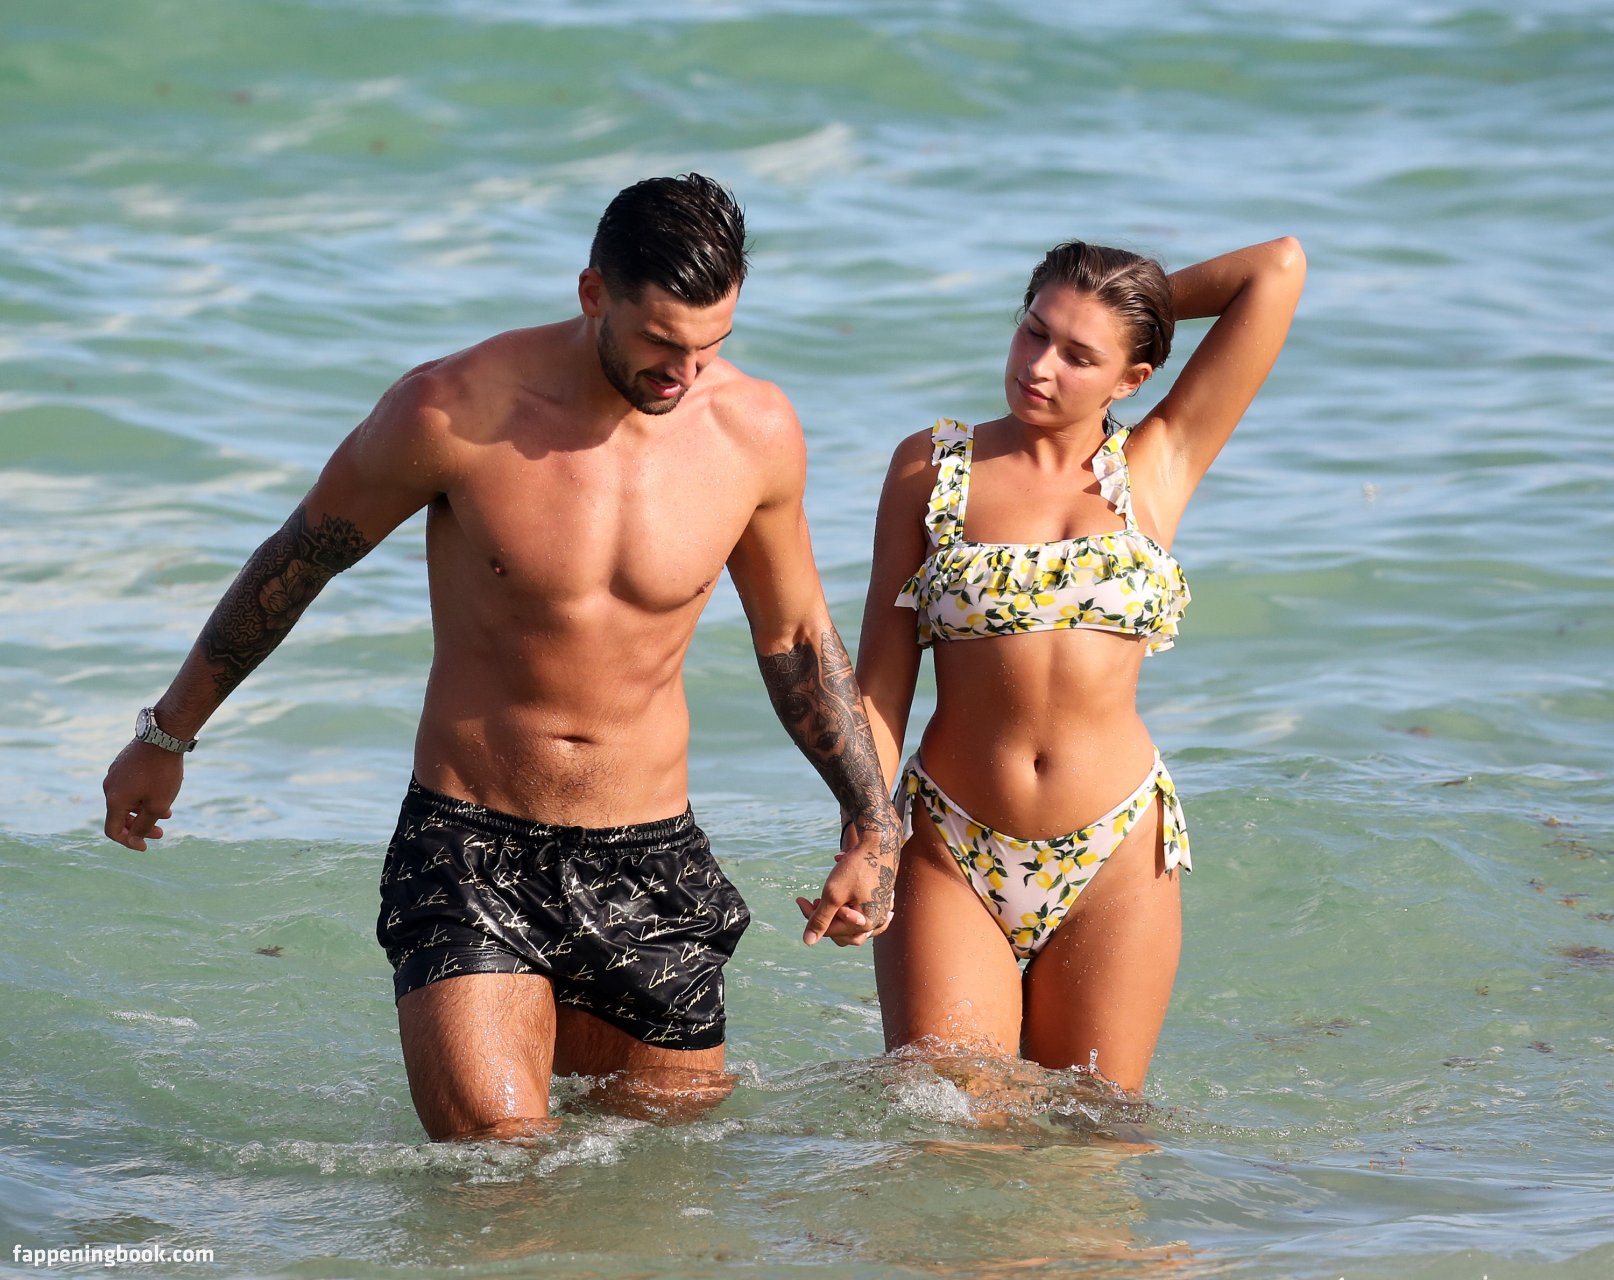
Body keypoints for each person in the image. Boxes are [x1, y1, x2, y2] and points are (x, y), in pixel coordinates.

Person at [100, 173, 901, 1140]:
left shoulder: (754, 432)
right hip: (473, 846)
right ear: (593, 293)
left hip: (650, 853)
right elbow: (297, 563)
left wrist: (873, 825)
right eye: (660, 342)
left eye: (711, 344)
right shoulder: (452, 410)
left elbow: (798, 641)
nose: (685, 373)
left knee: (662, 1175)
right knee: (498, 1165)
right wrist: (167, 735)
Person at [849, 235, 1305, 1093]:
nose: (1039, 365)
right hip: (952, 845)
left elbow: (1276, 268)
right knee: (953, 1129)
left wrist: (1136, 308)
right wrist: (866, 840)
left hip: (1115, 854)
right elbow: (881, 680)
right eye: (1034, 330)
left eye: (1079, 354)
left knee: (1098, 1143)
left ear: (1132, 378)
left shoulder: (1158, 462)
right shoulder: (932, 466)